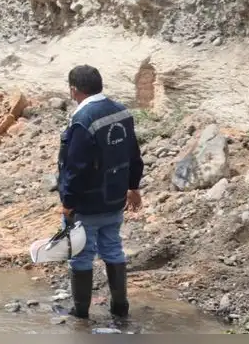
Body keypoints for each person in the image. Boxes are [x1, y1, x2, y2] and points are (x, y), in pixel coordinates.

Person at [58, 65, 144, 320]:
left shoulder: (83, 120)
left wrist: (68, 202)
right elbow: (133, 154)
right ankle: (120, 309)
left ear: (74, 90)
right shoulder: (121, 111)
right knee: (113, 249)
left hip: (88, 203)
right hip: (115, 199)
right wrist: (134, 187)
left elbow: (76, 167)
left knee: (81, 256)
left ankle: (80, 315)